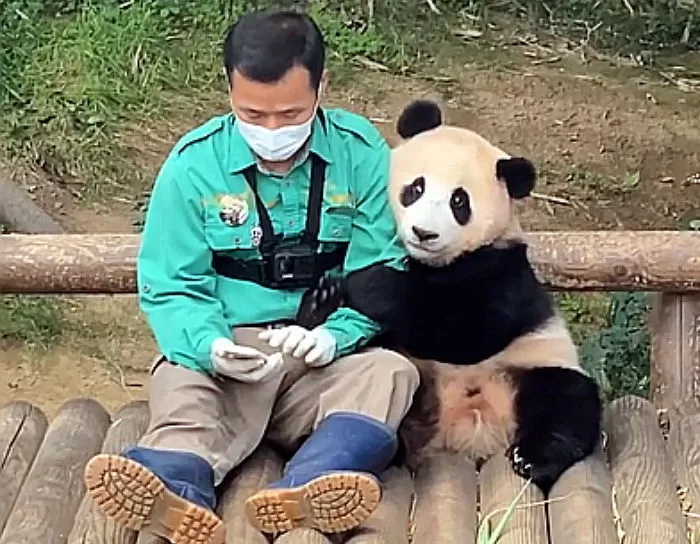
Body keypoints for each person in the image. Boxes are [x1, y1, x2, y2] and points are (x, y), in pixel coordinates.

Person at [82, 8, 419, 544]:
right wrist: (209, 345)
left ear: (321, 86)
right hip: (225, 355)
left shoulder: (361, 154)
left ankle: (311, 487)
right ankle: (175, 488)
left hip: (317, 356)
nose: (272, 130)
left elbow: (383, 267)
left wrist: (337, 336)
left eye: (290, 114)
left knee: (390, 374)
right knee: (183, 390)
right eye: (253, 115)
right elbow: (170, 283)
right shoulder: (194, 165)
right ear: (229, 89)